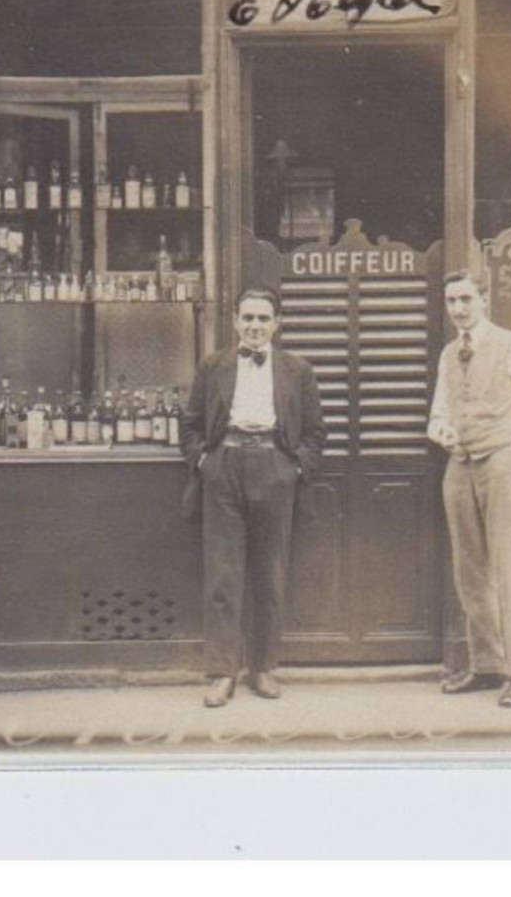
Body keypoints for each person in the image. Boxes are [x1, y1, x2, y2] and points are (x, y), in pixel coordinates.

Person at [181, 287, 327, 708]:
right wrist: (204, 463)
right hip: (223, 469)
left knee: (270, 573)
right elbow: (189, 425)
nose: (255, 326)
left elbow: (317, 433)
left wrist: (295, 467)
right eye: (248, 318)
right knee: (223, 576)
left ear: (276, 323)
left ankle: (263, 669)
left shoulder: (298, 370)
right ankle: (222, 673)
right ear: (235, 321)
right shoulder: (213, 367)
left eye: (263, 318)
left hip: (274, 470)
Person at [428, 269, 511, 708]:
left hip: (501, 463)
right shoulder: (449, 355)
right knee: (470, 571)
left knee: (508, 566)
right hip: (459, 466)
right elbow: (439, 413)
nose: (458, 309)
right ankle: (486, 666)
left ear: (484, 300)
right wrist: (442, 432)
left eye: (466, 299)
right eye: (451, 301)